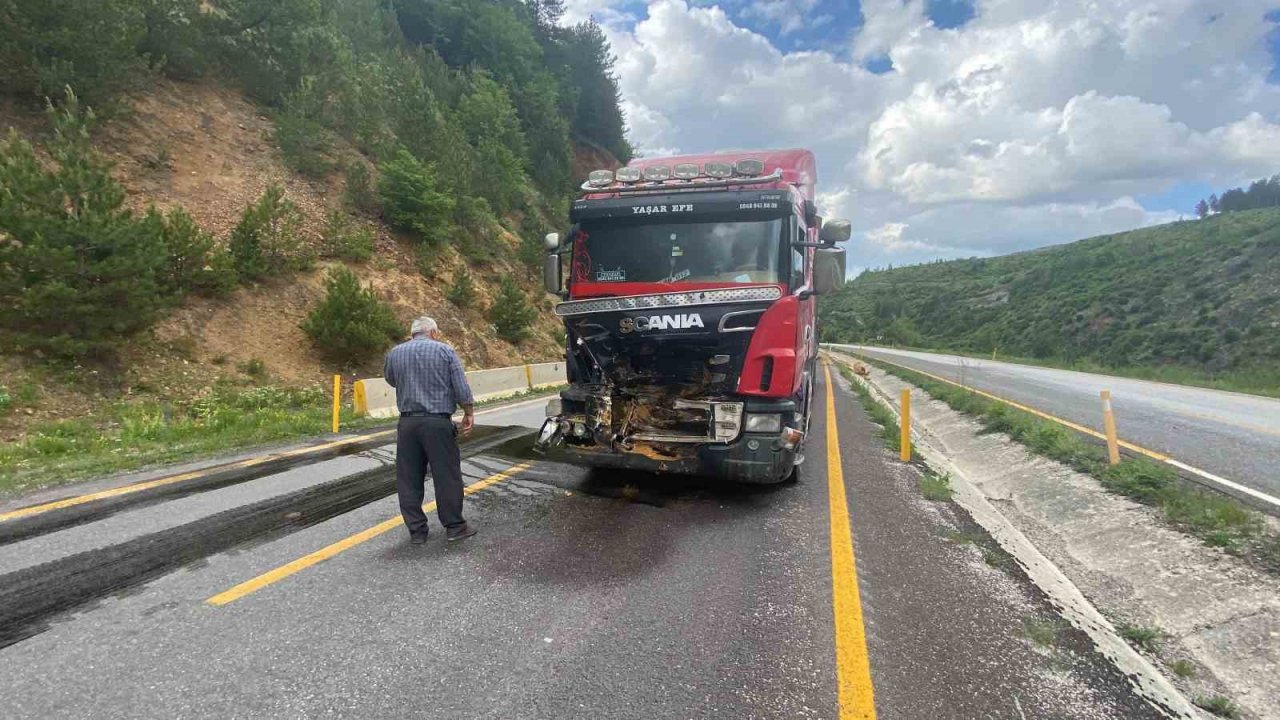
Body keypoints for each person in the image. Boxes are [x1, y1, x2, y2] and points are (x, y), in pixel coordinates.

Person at [383, 316, 477, 544]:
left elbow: (391, 379)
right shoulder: (445, 351)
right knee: (446, 475)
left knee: (409, 478)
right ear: (433, 332)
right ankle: (454, 526)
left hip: (407, 424)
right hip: (437, 422)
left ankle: (417, 531)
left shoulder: (395, 353)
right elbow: (460, 386)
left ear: (413, 333)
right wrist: (468, 411)